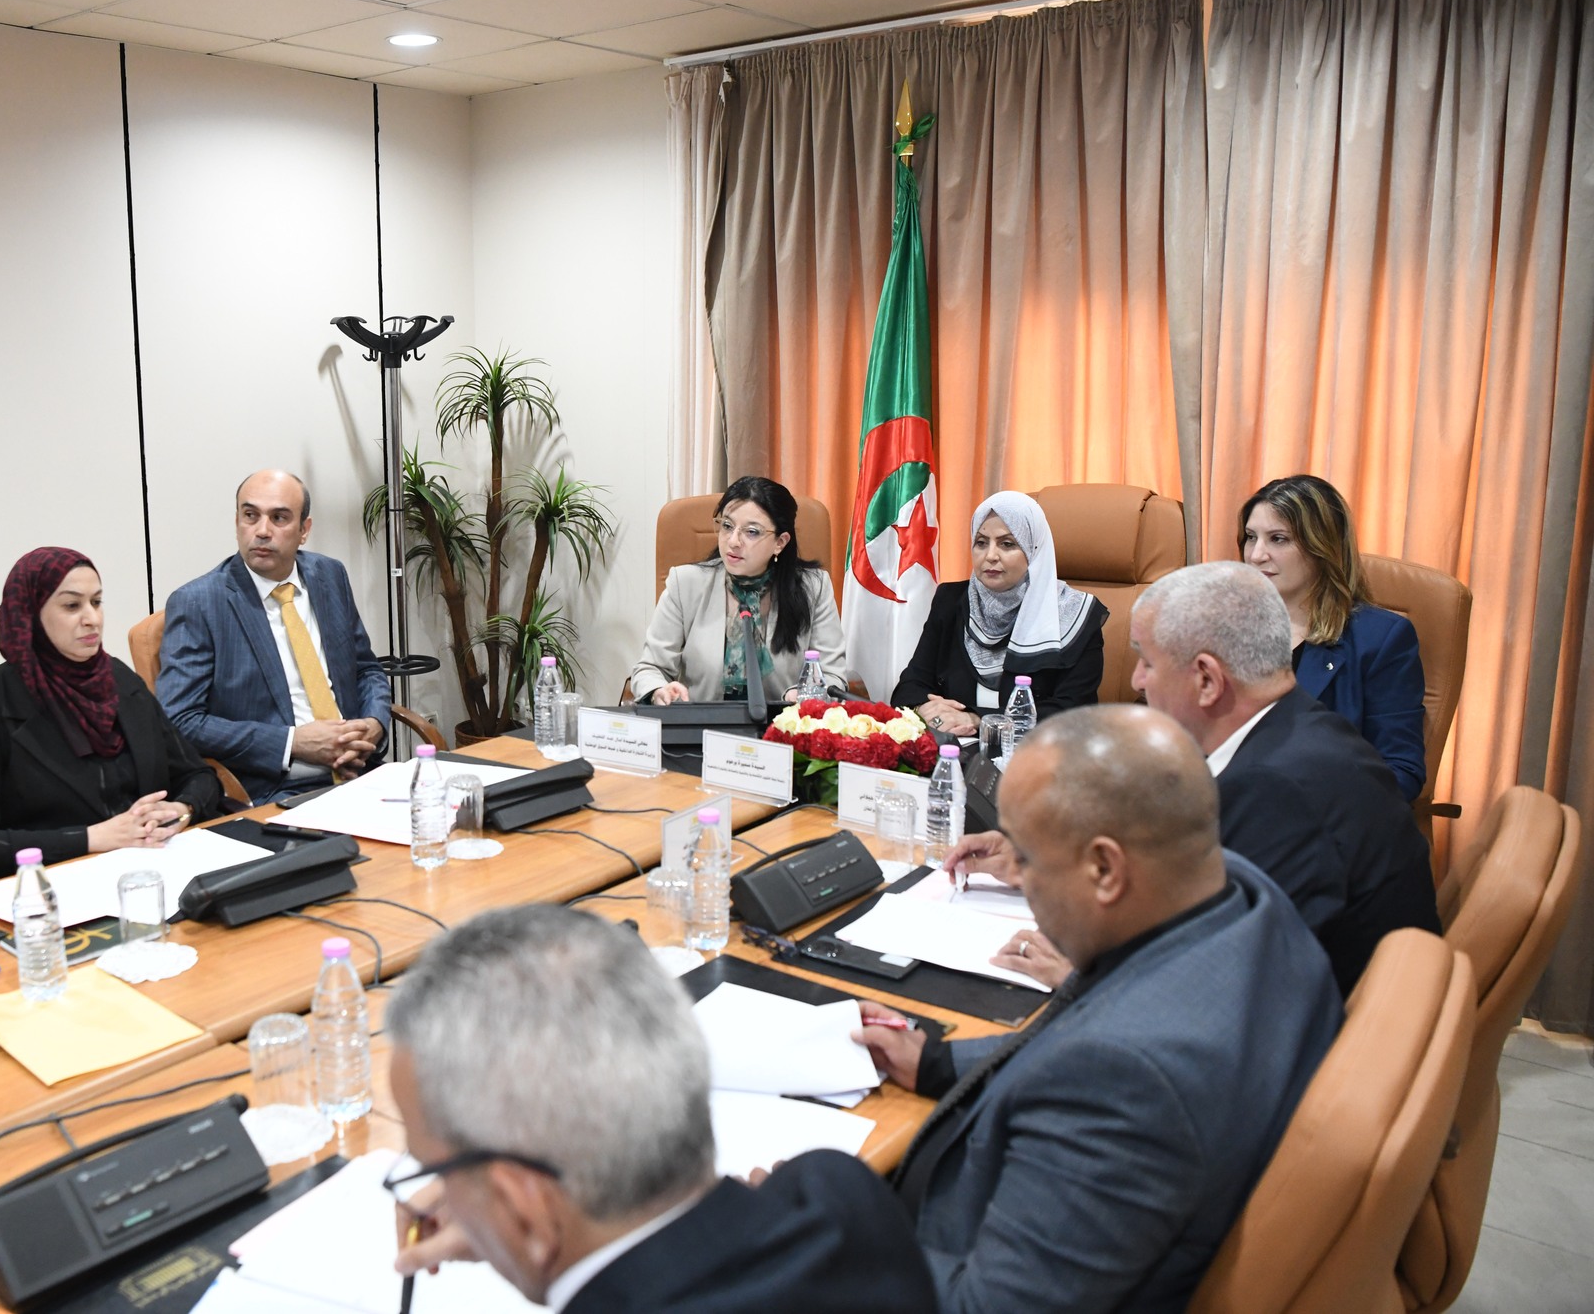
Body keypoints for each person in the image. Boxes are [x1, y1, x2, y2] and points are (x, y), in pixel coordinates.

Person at [860, 704, 1341, 1314]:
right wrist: (939, 1063)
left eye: (1028, 860)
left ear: (1106, 869)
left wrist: (817, 1237)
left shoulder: (1123, 1078)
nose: (1021, 880)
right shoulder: (1243, 896)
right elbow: (1110, 1016)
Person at [386, 904, 936, 1313]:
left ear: (521, 1202)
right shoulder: (841, 1201)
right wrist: (507, 1223)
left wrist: (516, 1235)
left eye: (437, 1169)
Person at [1126, 561, 1439, 993]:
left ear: (1207, 680)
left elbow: (1217, 976)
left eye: (1147, 662)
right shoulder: (1304, 728)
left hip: (1320, 1026)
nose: (1136, 681)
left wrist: (1084, 964)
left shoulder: (1273, 791)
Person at [0, 548, 226, 887]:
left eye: (97, 602)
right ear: (29, 614)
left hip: (154, 869)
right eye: (72, 606)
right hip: (57, 887)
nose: (93, 619)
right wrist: (91, 838)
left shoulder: (119, 680)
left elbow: (198, 774)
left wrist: (182, 809)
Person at [158, 470, 390, 807]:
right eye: (250, 515)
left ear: (304, 530)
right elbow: (180, 721)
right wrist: (292, 743)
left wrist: (374, 722)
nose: (262, 531)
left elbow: (367, 670)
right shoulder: (199, 603)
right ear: (237, 521)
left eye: (279, 518)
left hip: (361, 774)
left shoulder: (329, 575)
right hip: (277, 791)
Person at [1240, 474, 1427, 799]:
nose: (1256, 555)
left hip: (1314, 816)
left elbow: (1401, 773)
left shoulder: (1380, 639)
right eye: (1250, 537)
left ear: (1322, 548)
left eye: (1278, 539)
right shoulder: (1226, 624)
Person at [890, 491, 1106, 737]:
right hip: (954, 748)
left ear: (1033, 550)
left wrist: (977, 719)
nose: (990, 556)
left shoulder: (1075, 615)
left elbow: (1074, 713)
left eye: (1007, 544)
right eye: (981, 542)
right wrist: (925, 710)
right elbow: (911, 686)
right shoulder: (950, 600)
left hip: (1036, 752)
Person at [627, 476, 848, 705]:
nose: (733, 541)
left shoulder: (814, 588)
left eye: (751, 532)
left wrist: (803, 694)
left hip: (784, 723)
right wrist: (659, 690)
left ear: (780, 542)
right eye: (727, 526)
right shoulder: (685, 584)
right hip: (701, 722)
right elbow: (650, 669)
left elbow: (832, 676)